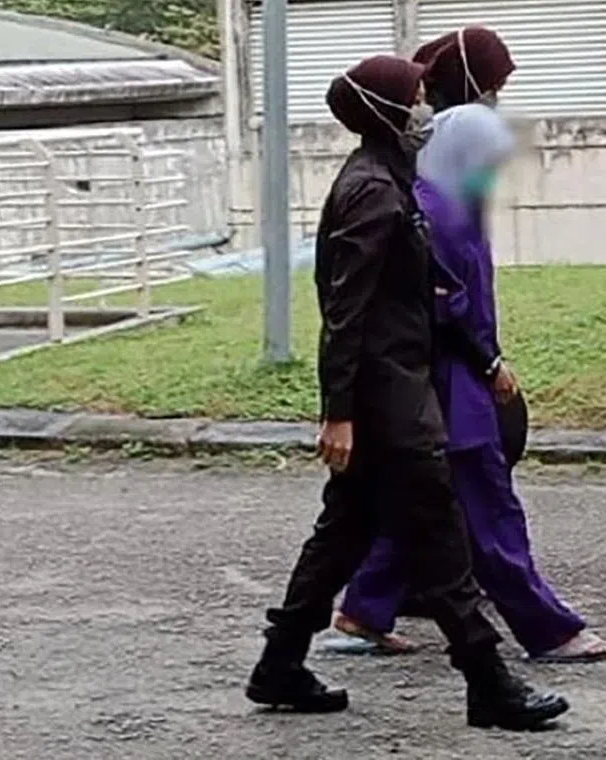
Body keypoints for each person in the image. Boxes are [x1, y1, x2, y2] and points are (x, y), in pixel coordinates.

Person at [243, 54, 569, 731]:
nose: (427, 108)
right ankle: (489, 682)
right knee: (440, 534)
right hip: (387, 398)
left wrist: (480, 357)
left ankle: (280, 663)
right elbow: (346, 309)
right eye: (416, 97)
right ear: (387, 110)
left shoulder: (393, 179)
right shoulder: (371, 190)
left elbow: (426, 293)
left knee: (343, 534)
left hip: (397, 387)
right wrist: (338, 413)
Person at [332, 101, 606, 663]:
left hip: (441, 381)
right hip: (452, 383)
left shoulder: (445, 202)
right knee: (490, 509)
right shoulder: (437, 213)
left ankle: (364, 609)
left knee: (425, 500)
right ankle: (548, 629)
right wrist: (489, 364)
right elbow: (446, 306)